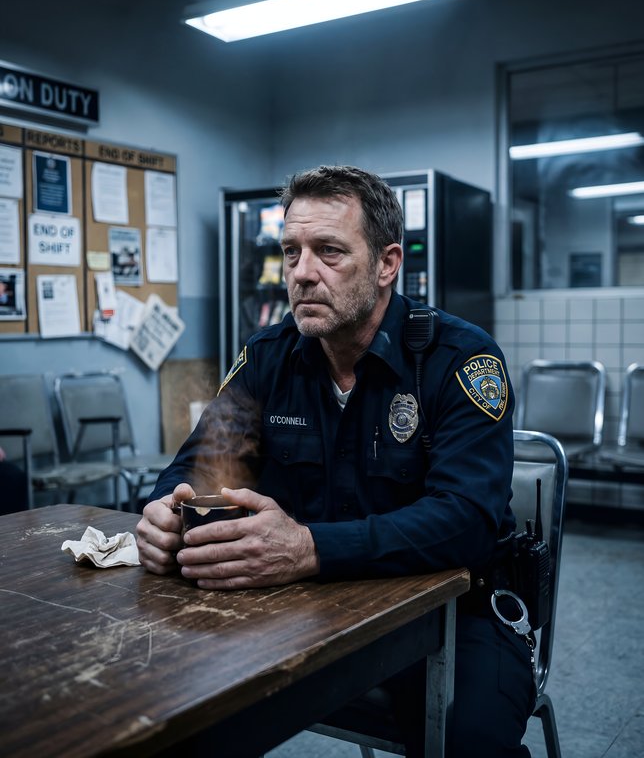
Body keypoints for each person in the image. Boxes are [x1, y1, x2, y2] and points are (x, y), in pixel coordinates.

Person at [136, 165, 535, 757]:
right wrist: (166, 509)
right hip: (300, 605)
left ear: (386, 264)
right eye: (291, 252)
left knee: (470, 741)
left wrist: (308, 548)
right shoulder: (268, 356)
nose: (301, 274)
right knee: (165, 709)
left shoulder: (460, 358)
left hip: (452, 614)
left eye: (328, 252)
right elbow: (199, 467)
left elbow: (468, 520)